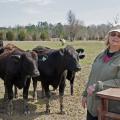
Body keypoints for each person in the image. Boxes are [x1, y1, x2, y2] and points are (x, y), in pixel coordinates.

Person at [81, 26, 120, 120]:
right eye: (113, 34)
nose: (116, 37)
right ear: (108, 37)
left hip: (109, 108)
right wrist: (85, 94)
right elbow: (92, 76)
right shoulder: (100, 55)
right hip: (92, 104)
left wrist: (100, 85)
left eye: (119, 36)